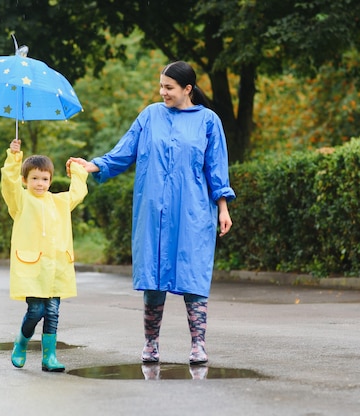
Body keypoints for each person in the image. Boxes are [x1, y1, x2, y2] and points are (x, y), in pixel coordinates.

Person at [67, 60, 236, 365]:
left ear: (188, 89)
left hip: (193, 210)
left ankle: (198, 345)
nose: (162, 92)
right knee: (154, 275)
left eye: (169, 87)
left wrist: (223, 208)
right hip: (154, 208)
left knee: (194, 273)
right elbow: (124, 150)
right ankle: (150, 344)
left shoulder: (209, 121)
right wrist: (94, 165)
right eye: (160, 86)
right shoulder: (150, 116)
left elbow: (217, 168)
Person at [1, 138, 88, 372]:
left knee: (53, 312)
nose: (40, 184)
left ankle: (49, 357)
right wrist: (14, 156)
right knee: (36, 311)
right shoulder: (20, 200)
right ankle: (21, 343)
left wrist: (78, 170)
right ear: (25, 180)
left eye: (45, 179)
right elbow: (8, 184)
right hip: (32, 268)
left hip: (57, 267)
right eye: (35, 179)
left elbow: (77, 193)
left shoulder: (58, 202)